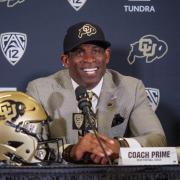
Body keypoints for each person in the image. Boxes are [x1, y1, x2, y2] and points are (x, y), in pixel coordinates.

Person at [26, 22, 167, 165]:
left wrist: (120, 146)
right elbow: (28, 147)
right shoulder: (40, 90)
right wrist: (70, 151)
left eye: (96, 50)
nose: (89, 59)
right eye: (80, 52)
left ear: (106, 56)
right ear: (66, 60)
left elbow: (157, 139)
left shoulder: (132, 88)